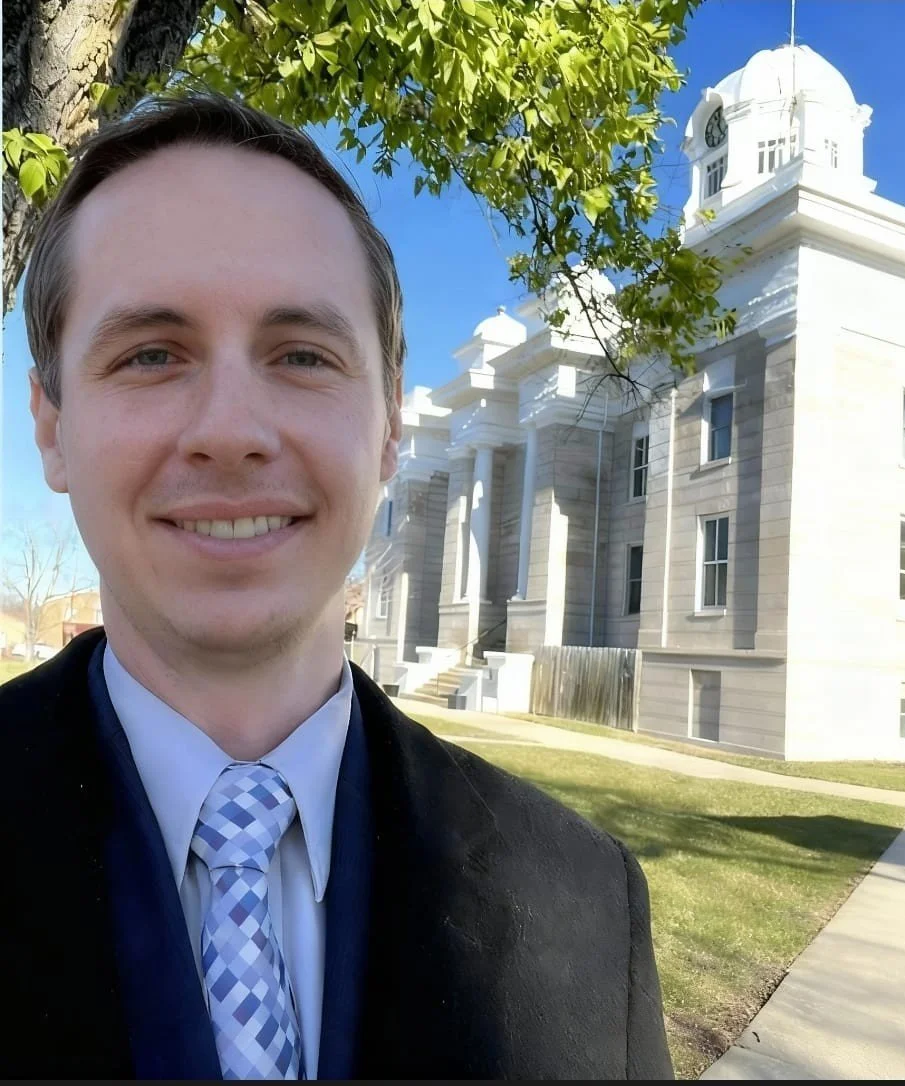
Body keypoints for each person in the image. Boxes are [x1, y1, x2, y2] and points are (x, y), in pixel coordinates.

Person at [1, 91, 674, 1080]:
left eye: (302, 355)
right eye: (151, 353)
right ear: (52, 427)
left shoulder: (584, 902)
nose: (231, 429)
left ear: (392, 432)